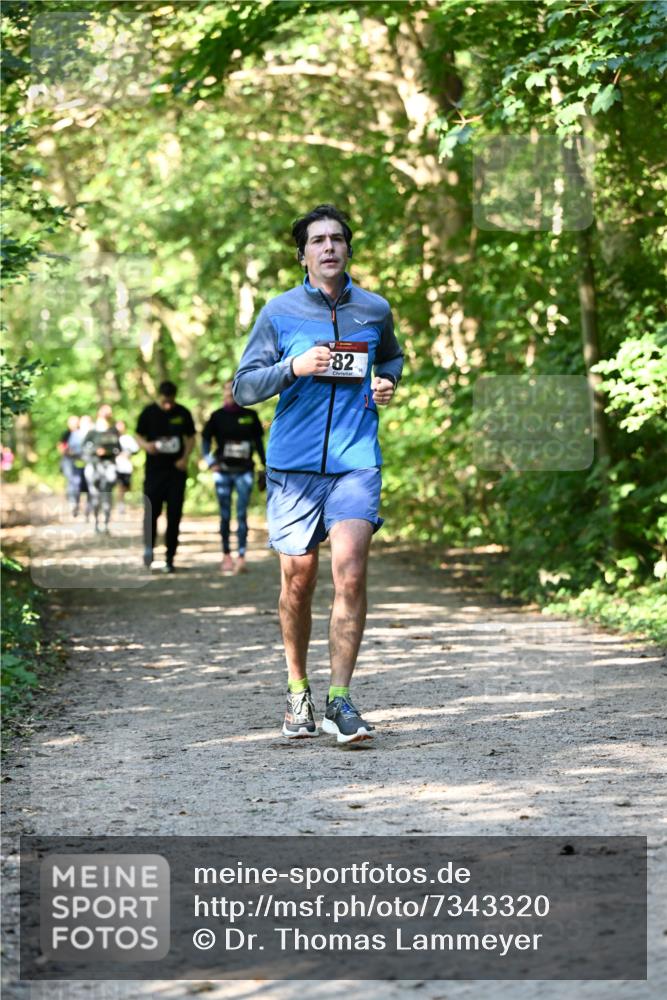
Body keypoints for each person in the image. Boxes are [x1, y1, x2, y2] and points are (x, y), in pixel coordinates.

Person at [233, 204, 403, 744]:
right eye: (317, 241)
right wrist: (293, 368)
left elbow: (392, 359)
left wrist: (386, 384)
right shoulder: (279, 312)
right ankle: (297, 690)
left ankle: (341, 700)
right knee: (298, 583)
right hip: (293, 466)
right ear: (302, 254)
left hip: (356, 460)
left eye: (337, 239)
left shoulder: (373, 309)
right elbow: (243, 388)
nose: (328, 247)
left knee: (350, 572)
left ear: (348, 249)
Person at [202, 380, 266, 574]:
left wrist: (265, 465)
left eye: (233, 388)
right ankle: (226, 555)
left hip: (244, 471)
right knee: (225, 515)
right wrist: (210, 461)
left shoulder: (250, 416)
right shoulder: (216, 416)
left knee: (241, 514)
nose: (229, 392)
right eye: (227, 389)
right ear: (223, 392)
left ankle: (241, 556)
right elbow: (205, 439)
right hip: (222, 471)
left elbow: (258, 443)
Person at [135, 380, 196, 573]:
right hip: (154, 473)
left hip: (176, 473)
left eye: (171, 401)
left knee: (174, 514)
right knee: (151, 513)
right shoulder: (148, 412)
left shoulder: (183, 413)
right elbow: (137, 435)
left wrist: (185, 458)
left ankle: (170, 557)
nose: (168, 405)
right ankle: (148, 551)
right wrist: (146, 446)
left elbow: (192, 437)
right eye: (164, 401)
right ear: (159, 397)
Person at [82, 405, 121, 534]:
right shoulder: (92, 432)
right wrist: (95, 451)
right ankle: (96, 524)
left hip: (109, 466)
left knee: (107, 496)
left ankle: (106, 524)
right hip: (94, 467)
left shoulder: (113, 431)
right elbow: (84, 448)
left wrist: (108, 451)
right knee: (95, 496)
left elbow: (118, 448)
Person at [114, 419, 139, 514]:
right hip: (116, 466)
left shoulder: (128, 438)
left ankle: (123, 502)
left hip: (126, 467)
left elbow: (136, 450)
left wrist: (127, 453)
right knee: (119, 485)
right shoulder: (113, 438)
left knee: (126, 486)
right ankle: (120, 504)